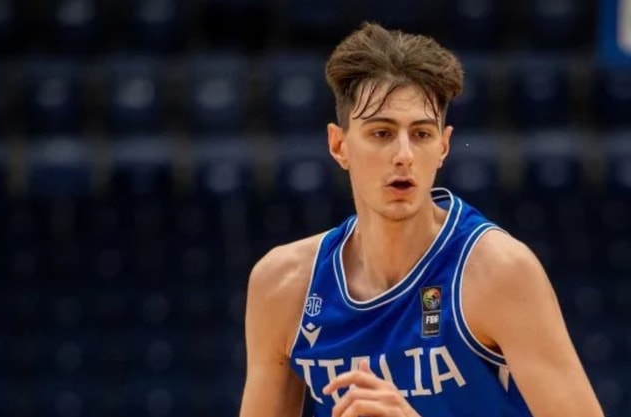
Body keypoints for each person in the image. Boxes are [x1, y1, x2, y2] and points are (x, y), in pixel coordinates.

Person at [239, 22, 604, 417]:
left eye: (421, 134)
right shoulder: (283, 285)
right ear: (339, 145)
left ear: (443, 146)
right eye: (381, 133)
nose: (404, 155)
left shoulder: (498, 272)